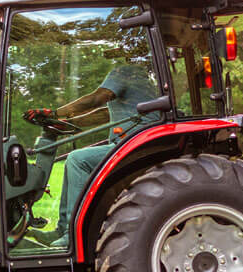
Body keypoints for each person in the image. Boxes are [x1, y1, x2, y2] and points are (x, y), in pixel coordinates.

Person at [28, 61, 159, 249]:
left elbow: (97, 98)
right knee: (74, 160)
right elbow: (105, 114)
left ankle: (73, 234)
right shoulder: (141, 77)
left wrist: (56, 113)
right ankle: (63, 229)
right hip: (134, 143)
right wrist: (68, 122)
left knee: (77, 160)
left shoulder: (126, 70)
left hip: (136, 144)